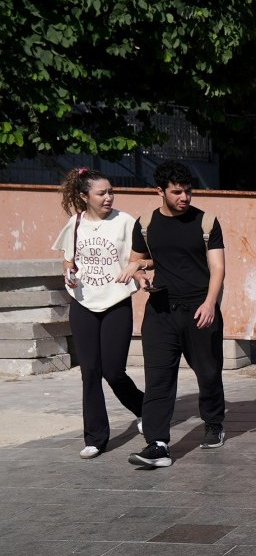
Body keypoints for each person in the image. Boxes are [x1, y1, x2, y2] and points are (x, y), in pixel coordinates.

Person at [124, 161, 226, 469]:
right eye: (177, 192)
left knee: (208, 373)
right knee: (158, 378)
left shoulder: (206, 222)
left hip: (199, 309)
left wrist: (210, 303)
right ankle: (158, 444)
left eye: (188, 191)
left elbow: (218, 267)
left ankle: (213, 422)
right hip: (160, 310)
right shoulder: (145, 224)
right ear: (160, 191)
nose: (184, 197)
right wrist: (140, 277)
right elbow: (137, 261)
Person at [52, 168, 145, 460]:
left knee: (113, 370)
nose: (108, 197)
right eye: (101, 193)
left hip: (116, 301)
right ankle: (95, 438)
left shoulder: (125, 222)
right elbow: (68, 260)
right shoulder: (75, 223)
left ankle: (144, 408)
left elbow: (143, 257)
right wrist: (68, 272)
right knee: (89, 371)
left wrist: (135, 269)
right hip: (83, 303)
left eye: (110, 191)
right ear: (84, 196)